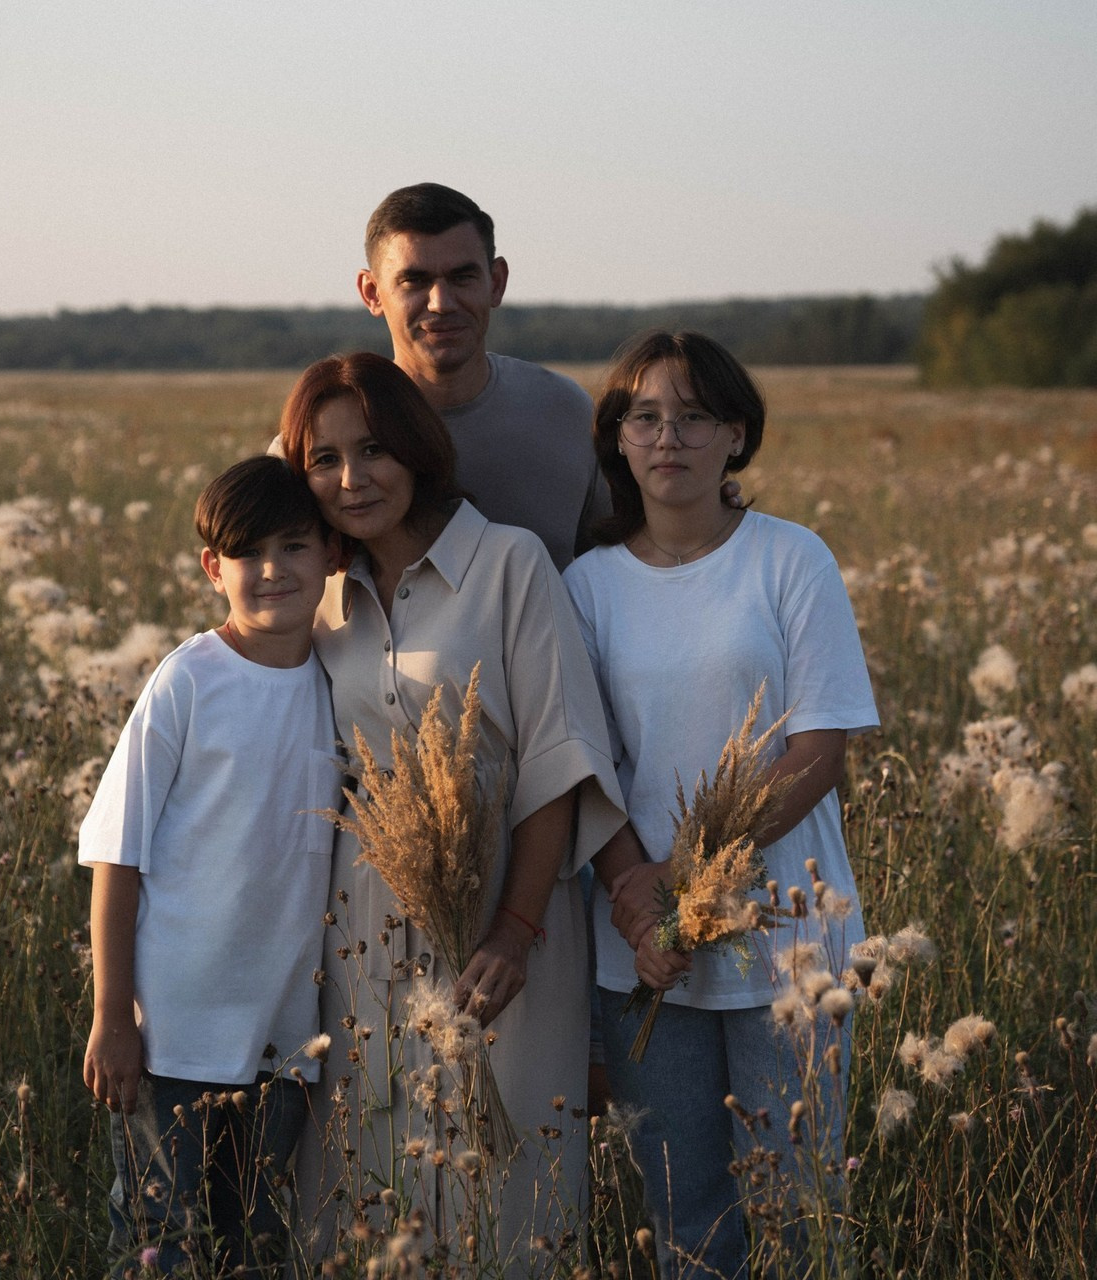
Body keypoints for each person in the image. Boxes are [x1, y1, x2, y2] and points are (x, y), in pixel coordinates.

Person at [278, 351, 628, 1265]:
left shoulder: (509, 564)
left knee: (508, 1180)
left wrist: (513, 931)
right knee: (372, 1168)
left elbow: (556, 759)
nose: (352, 479)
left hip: (508, 923)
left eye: (374, 450)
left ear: (418, 449)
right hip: (363, 932)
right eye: (323, 459)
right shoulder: (319, 595)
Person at [563, 331, 879, 1278]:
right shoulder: (586, 585)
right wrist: (641, 901)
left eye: (694, 416)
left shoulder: (791, 559)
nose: (669, 438)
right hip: (644, 956)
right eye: (645, 417)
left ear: (736, 434)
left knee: (799, 1209)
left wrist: (687, 879)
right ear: (618, 438)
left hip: (789, 940)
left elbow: (818, 750)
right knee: (687, 1221)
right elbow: (585, 763)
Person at [79, 456, 343, 1278]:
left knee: (253, 1241)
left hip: (284, 1038)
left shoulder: (339, 685)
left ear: (331, 553)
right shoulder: (189, 679)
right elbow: (117, 854)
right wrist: (113, 1015)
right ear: (211, 567)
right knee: (159, 1239)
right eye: (247, 553)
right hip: (172, 1034)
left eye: (294, 546)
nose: (272, 570)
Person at [355, 182, 605, 571]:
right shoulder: (333, 430)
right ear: (372, 292)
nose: (441, 303)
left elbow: (621, 567)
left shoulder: (566, 413)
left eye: (462, 277)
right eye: (414, 281)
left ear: (496, 282)